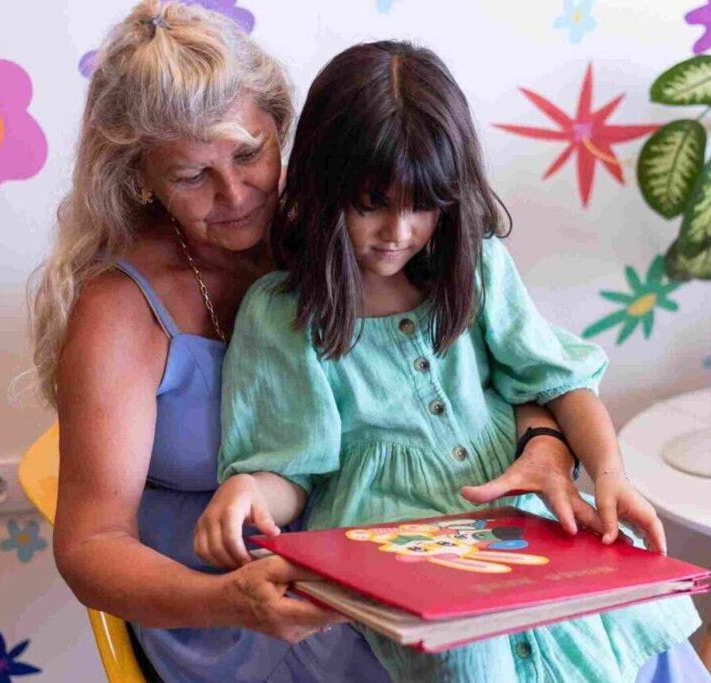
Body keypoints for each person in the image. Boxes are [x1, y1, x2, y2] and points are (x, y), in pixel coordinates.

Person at [29, 4, 585, 682]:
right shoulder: (118, 312)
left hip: (384, 555)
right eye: (190, 175)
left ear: (281, 129)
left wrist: (545, 440)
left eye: (248, 153)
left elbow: (492, 372)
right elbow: (90, 545)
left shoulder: (353, 230)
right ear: (140, 175)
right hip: (236, 608)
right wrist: (226, 599)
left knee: (591, 629)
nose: (234, 194)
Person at [201, 41, 711, 682]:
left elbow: (558, 381)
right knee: (470, 656)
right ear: (323, 183)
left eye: (421, 205)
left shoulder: (474, 267)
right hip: (397, 547)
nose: (398, 231)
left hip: (522, 520)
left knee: (602, 612)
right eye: (370, 204)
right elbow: (290, 470)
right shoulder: (283, 314)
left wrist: (608, 472)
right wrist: (247, 491)